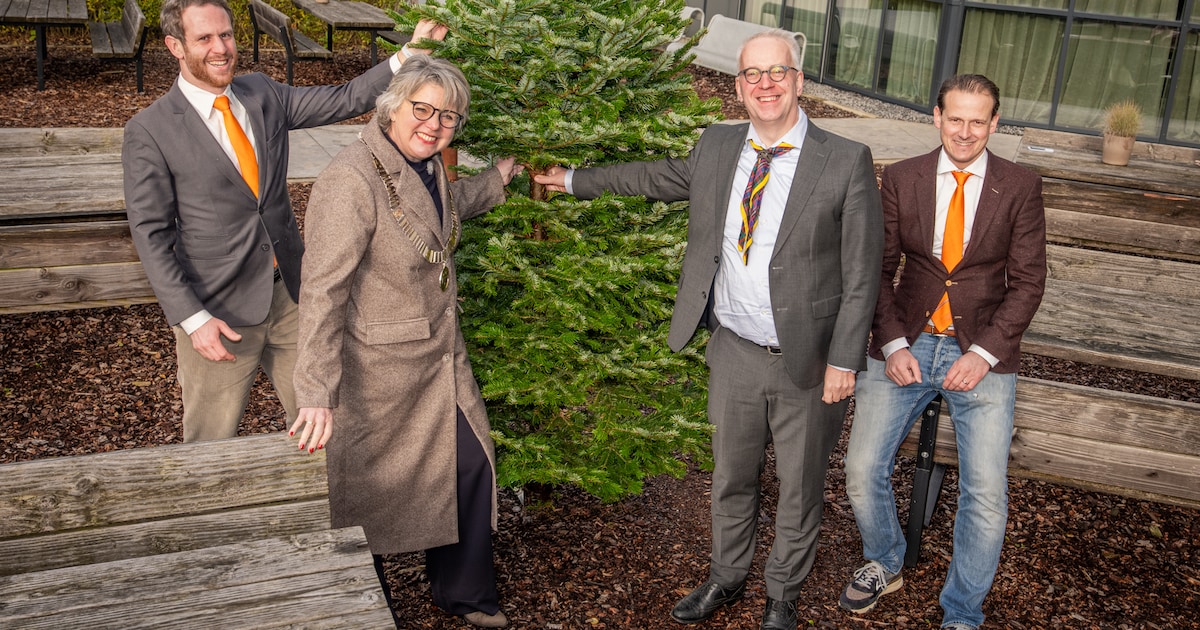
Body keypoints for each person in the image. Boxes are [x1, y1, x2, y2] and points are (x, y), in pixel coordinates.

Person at [534, 30, 882, 630]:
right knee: (730, 477)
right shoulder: (719, 145)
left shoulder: (845, 159)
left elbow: (862, 273)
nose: (765, 84)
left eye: (778, 73)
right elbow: (654, 178)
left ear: (799, 81)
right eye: (752, 75)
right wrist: (570, 180)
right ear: (739, 88)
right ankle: (726, 576)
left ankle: (782, 595)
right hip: (735, 353)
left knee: (799, 489)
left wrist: (844, 361)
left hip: (809, 357)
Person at [122, 0, 446, 442]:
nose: (221, 48)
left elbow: (344, 98)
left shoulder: (262, 94)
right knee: (209, 444)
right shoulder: (150, 130)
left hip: (293, 298)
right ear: (174, 46)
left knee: (330, 423)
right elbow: (150, 234)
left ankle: (324, 512)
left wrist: (408, 56)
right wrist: (193, 320)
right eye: (205, 39)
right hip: (218, 313)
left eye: (226, 35)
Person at [288, 55, 522, 628]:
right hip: (381, 371)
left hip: (441, 354)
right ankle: (357, 601)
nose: (434, 124)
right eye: (423, 109)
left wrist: (495, 182)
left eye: (448, 116)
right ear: (392, 106)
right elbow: (322, 292)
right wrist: (316, 391)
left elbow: (434, 216)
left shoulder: (425, 164)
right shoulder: (351, 179)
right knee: (372, 493)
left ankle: (462, 592)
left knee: (470, 465)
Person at [839, 74, 1046, 630]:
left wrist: (983, 353)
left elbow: (1028, 282)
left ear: (995, 123)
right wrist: (891, 341)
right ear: (936, 116)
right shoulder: (902, 178)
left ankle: (962, 612)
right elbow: (876, 271)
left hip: (979, 353)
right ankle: (885, 560)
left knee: (986, 494)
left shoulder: (1020, 185)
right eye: (956, 118)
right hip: (906, 343)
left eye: (979, 120)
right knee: (860, 469)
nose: (965, 131)